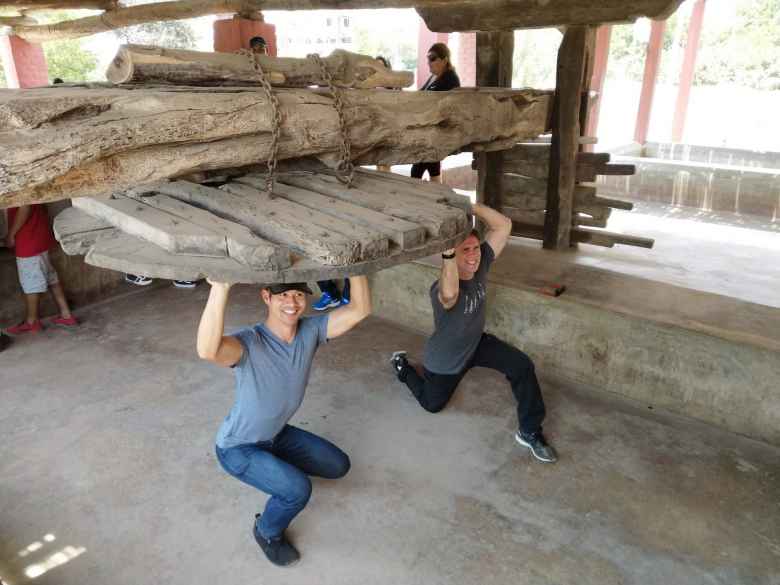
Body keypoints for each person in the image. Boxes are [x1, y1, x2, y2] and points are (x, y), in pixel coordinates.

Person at [198, 275, 371, 567]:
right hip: (239, 448)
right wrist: (220, 287)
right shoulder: (248, 343)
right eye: (283, 295)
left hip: (276, 435)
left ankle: (277, 468)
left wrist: (358, 268)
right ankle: (266, 531)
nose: (292, 303)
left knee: (338, 465)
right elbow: (207, 350)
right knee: (297, 490)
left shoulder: (311, 331)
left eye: (299, 295)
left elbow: (359, 310)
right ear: (266, 297)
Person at [390, 204, 558, 464]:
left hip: (476, 344)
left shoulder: (481, 264)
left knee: (522, 366)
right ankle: (402, 368)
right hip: (446, 359)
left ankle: (530, 431)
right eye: (464, 250)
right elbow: (450, 295)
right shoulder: (441, 288)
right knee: (432, 405)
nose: (473, 256)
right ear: (450, 256)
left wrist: (467, 206)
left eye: (475, 248)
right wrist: (446, 257)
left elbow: (503, 226)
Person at [3, 204, 78, 335]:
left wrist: (11, 234)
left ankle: (31, 322)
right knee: (50, 276)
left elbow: (24, 207)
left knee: (30, 283)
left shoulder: (17, 186)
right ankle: (66, 314)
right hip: (39, 234)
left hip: (28, 239)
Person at [410, 43, 461, 184]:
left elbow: (443, 105)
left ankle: (423, 200)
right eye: (428, 59)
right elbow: (420, 96)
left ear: (445, 60)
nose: (429, 63)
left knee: (417, 171)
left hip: (436, 133)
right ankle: (437, 199)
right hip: (427, 132)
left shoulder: (450, 78)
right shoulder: (434, 77)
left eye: (433, 58)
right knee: (432, 169)